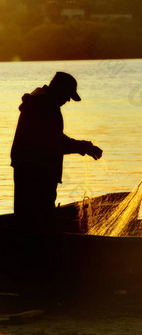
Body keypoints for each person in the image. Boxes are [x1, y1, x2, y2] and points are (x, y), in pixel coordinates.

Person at [11, 72, 103, 233]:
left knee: (28, 220)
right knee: (38, 222)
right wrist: (85, 147)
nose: (68, 100)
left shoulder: (40, 102)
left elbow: (53, 138)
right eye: (68, 95)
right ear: (59, 89)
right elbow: (54, 141)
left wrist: (82, 146)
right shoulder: (44, 105)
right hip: (36, 173)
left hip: (29, 170)